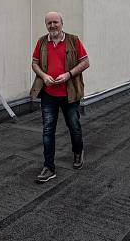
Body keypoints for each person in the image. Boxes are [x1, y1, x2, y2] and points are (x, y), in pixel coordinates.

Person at [30, 11, 90, 183]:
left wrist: (68, 75)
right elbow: (34, 64)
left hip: (70, 95)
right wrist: (44, 76)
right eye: (49, 23)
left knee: (74, 127)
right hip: (49, 95)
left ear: (62, 23)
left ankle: (78, 152)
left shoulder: (73, 40)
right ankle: (49, 168)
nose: (52, 26)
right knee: (48, 131)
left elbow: (86, 62)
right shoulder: (41, 42)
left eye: (55, 22)